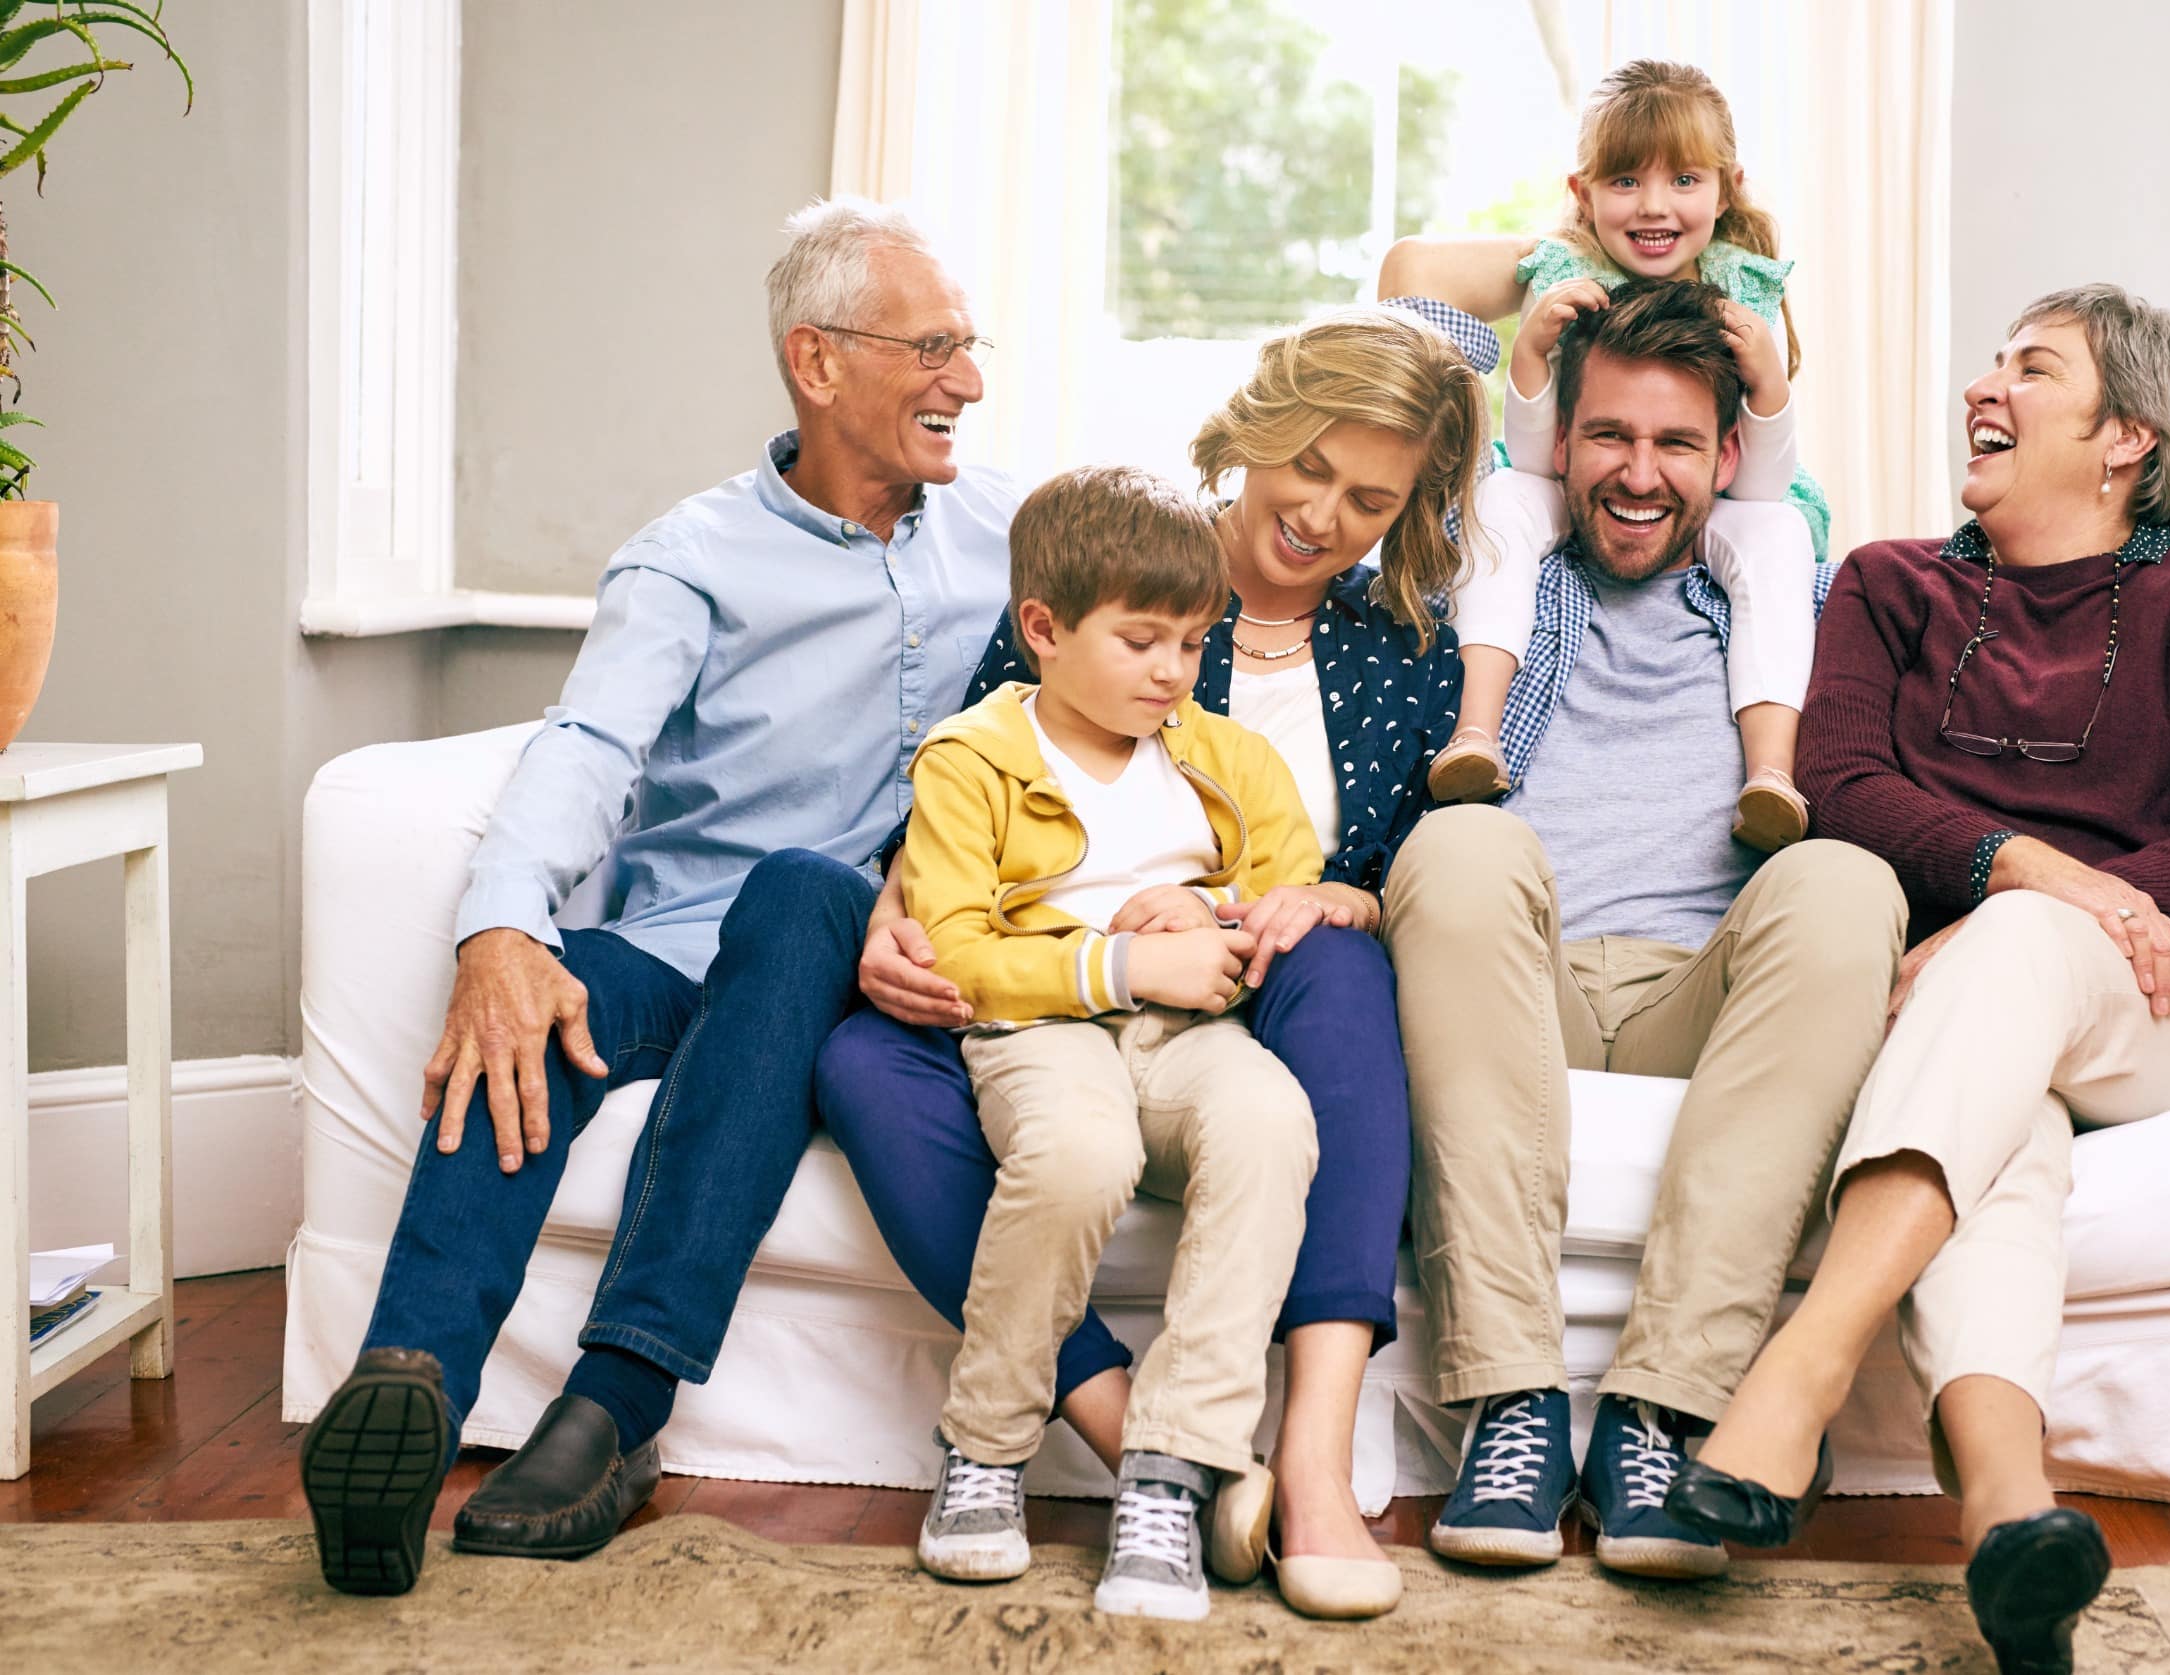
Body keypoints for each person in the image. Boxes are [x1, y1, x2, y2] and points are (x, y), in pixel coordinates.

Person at [294, 198, 1012, 1595]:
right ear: (816, 360)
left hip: (842, 964)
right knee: (529, 1012)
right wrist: (503, 926)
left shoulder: (1007, 537)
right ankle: (405, 1381)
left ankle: (614, 1400)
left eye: (969, 346)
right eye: (932, 347)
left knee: (804, 890)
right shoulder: (692, 552)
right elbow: (589, 742)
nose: (967, 381)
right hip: (671, 944)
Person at [1662, 286, 2170, 1675]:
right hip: (1969, 1013)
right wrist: (2033, 867)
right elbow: (1839, 782)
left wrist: (2064, 911)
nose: (1986, 385)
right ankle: (2013, 1519)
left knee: (2017, 952)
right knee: (2001, 1130)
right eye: (1994, 362)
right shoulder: (1893, 585)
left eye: (2033, 369)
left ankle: (1800, 1369)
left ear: (2125, 436)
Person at [820, 303, 1486, 1620]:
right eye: (1310, 467)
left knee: (1306, 1048)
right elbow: (963, 827)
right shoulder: (1120, 583)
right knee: (917, 1078)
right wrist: (916, 920)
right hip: (1048, 979)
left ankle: (1259, 1467)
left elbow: (1342, 872)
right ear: (1257, 434)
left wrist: (1277, 913)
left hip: (1248, 984)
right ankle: (1085, 1440)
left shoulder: (1400, 661)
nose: (1325, 514)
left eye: (1370, 498)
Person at [1379, 274, 1906, 1581]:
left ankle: (1667, 1408)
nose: (1637, 471)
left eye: (1675, 442)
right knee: (1457, 839)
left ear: (1729, 456)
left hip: (1707, 997)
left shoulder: (1800, 592)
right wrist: (1535, 316)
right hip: (1522, 984)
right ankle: (1509, 1403)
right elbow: (1298, 544)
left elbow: (1974, 663)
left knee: (1844, 880)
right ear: (1559, 442)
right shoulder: (1475, 570)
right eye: (1609, 433)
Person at [897, 465, 1325, 1622]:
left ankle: (1169, 1471)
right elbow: (950, 949)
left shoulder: (1225, 759)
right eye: (1140, 640)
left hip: (1190, 1030)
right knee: (1080, 1156)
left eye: (1190, 641)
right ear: (1042, 627)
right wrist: (1119, 963)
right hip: (1038, 1025)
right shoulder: (969, 759)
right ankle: (984, 1448)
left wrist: (1213, 917)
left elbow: (1294, 891)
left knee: (1268, 1120)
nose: (1171, 671)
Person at [1378, 59, 1823, 849]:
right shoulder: (1564, 275)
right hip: (1567, 474)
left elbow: (1755, 481)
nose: (1654, 207)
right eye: (1623, 182)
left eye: (1685, 179)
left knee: (1780, 534)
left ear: (1728, 188)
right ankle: (1477, 731)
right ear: (1581, 194)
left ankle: (1772, 774)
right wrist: (1532, 351)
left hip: (1723, 492)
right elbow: (1536, 460)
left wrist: (1768, 384)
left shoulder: (1744, 285)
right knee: (1501, 503)